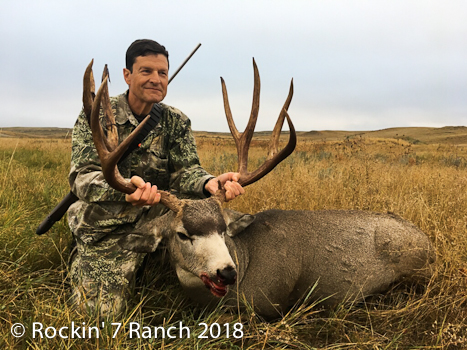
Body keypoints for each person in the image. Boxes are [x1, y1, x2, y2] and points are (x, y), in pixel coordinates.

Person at [67, 39, 244, 318]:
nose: (156, 79)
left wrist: (209, 182)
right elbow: (82, 178)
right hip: (110, 226)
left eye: (162, 73)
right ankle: (87, 257)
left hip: (163, 219)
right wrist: (125, 191)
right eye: (146, 71)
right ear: (127, 75)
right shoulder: (97, 114)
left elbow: (186, 170)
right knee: (100, 317)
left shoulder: (176, 121)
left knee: (206, 213)